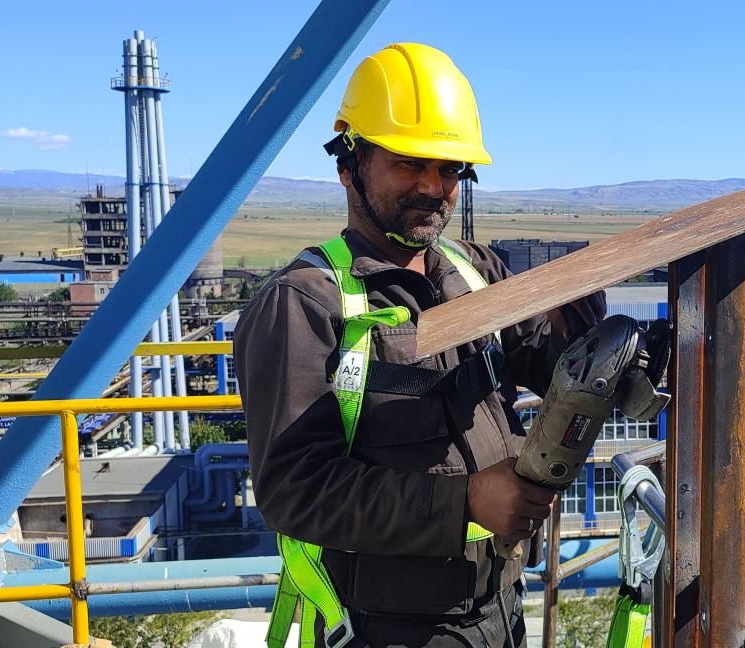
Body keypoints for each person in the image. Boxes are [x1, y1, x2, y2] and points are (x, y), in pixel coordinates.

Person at [234, 43, 605, 648]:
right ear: (349, 164)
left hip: (499, 608)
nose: (434, 186)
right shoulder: (305, 304)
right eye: (410, 163)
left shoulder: (474, 270)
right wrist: (466, 501)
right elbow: (295, 490)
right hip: (387, 629)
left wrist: (600, 340)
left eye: (450, 168)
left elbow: (547, 362)